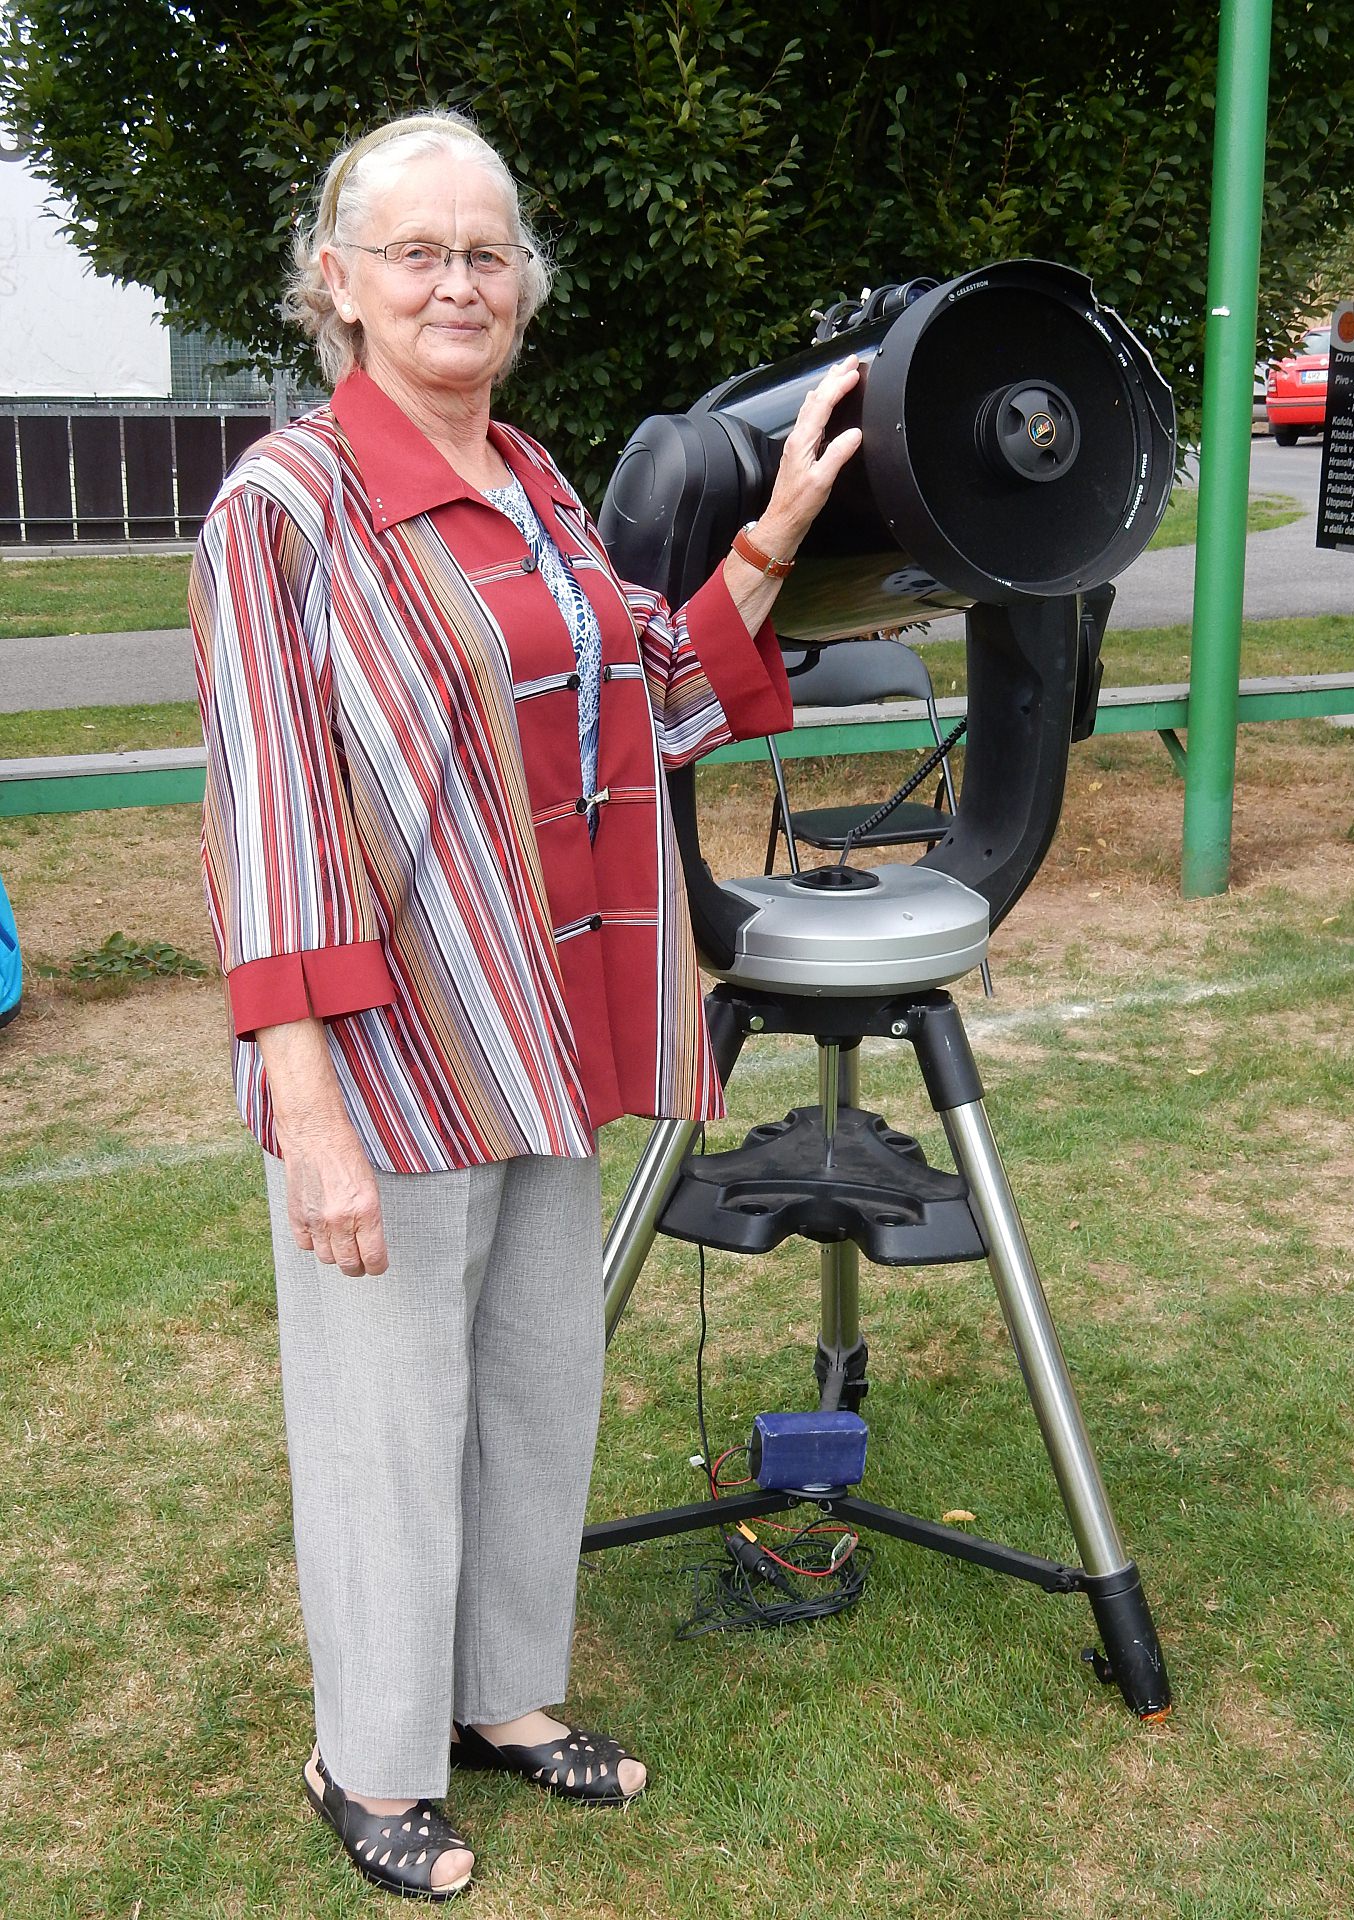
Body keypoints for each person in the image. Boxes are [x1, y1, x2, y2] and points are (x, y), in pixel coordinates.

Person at [190, 107, 861, 1901]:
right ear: (338, 283)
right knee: (387, 1420)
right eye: (416, 252)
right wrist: (307, 1109)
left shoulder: (536, 481)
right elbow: (270, 816)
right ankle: (371, 1756)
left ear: (523, 284)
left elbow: (650, 689)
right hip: (388, 1050)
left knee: (536, 1383)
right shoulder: (285, 506)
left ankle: (501, 1694)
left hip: (545, 1026)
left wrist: (778, 534)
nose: (456, 283)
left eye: (484, 252)